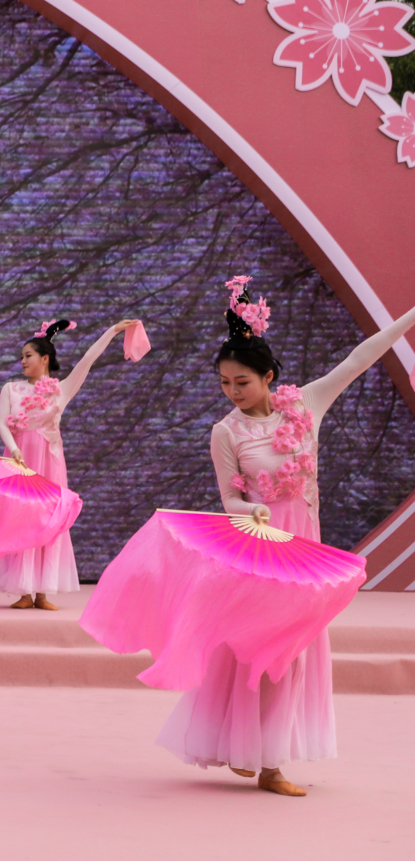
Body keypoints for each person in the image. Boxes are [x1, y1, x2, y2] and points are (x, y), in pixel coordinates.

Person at [156, 275, 415, 797]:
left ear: (268, 376)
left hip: (306, 552)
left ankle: (271, 763)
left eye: (243, 382)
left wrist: (409, 318)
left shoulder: (306, 406)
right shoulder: (226, 431)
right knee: (255, 649)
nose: (233, 392)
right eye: (226, 383)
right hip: (258, 551)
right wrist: (250, 508)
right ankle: (249, 747)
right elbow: (229, 499)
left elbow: (359, 358)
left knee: (295, 652)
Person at [0, 316, 136, 609]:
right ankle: (23, 591)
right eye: (22, 357)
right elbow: (3, 424)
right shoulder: (11, 389)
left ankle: (43, 592)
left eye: (28, 356)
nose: (23, 361)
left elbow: (87, 360)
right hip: (21, 463)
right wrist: (13, 449)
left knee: (49, 520)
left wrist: (112, 331)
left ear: (45, 358)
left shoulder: (61, 389)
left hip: (50, 463)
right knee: (23, 519)